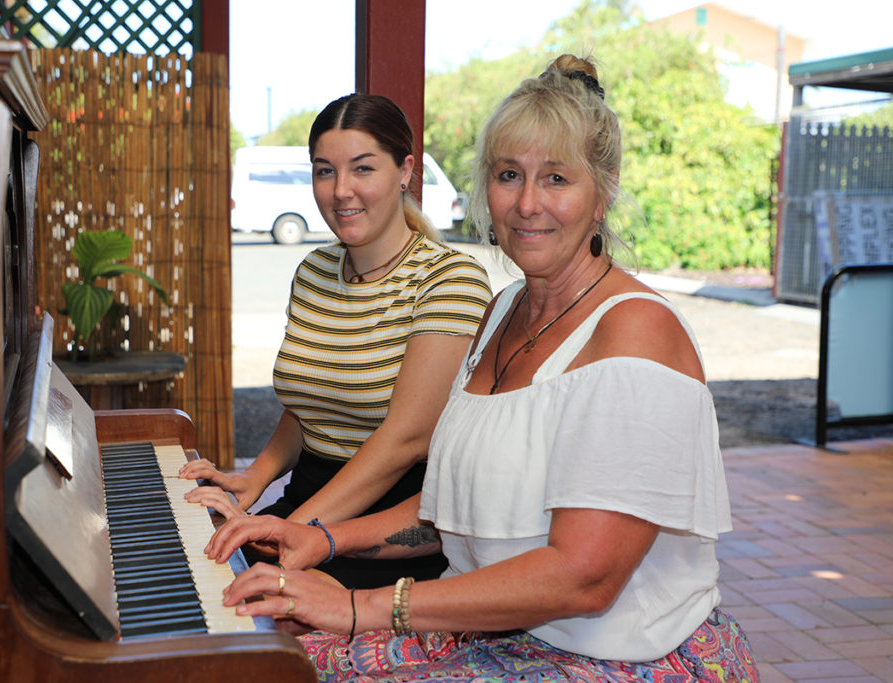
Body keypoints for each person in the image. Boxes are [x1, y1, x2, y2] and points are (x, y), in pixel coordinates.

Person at [203, 55, 760, 681]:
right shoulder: (501, 313)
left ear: (602, 193)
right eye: (507, 175)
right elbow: (450, 510)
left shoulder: (635, 331)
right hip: (493, 633)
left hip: (611, 653)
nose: (526, 203)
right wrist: (328, 540)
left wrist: (358, 606)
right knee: (254, 662)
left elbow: (584, 579)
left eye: (555, 178)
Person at [179, 93, 493, 589]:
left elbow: (405, 441)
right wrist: (252, 483)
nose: (341, 190)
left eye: (362, 169)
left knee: (238, 616)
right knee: (193, 575)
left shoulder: (450, 280)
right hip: (307, 502)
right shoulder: (315, 271)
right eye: (324, 171)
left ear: (405, 170)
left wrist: (288, 529)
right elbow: (310, 404)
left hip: (389, 532)